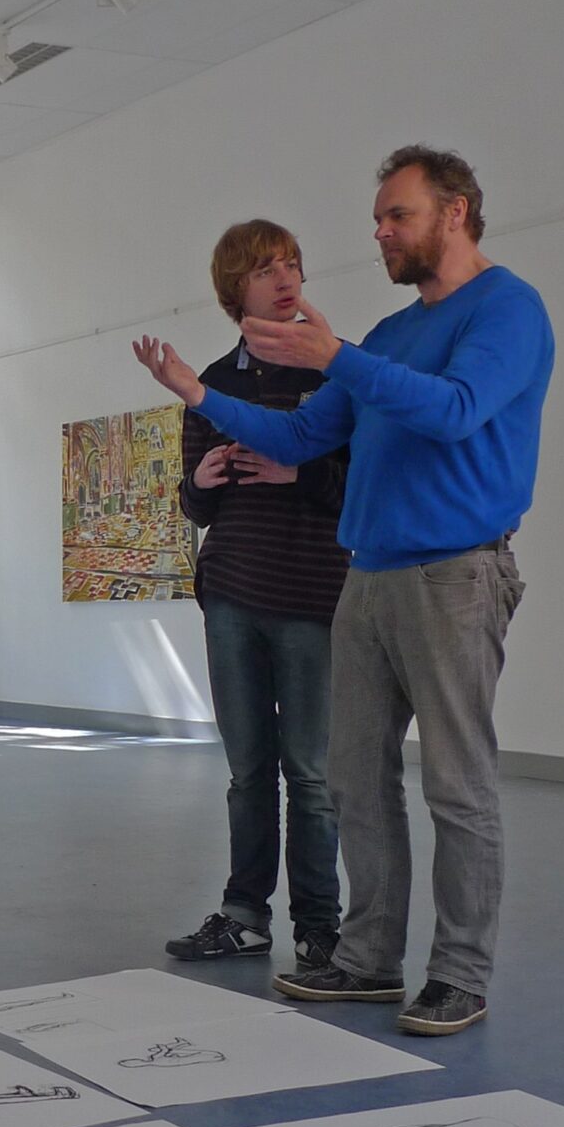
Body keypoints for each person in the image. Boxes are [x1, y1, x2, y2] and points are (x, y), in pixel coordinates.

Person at [135, 146, 553, 1036]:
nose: (381, 233)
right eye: (378, 220)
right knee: (357, 783)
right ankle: (367, 960)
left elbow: (454, 410)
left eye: (398, 215)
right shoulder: (393, 335)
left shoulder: (508, 310)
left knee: (457, 788)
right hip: (367, 575)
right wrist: (198, 392)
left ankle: (460, 973)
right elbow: (296, 439)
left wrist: (337, 356)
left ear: (456, 211)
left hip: (455, 575)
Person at [166, 218, 350, 969]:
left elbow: (362, 486)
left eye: (293, 265)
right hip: (233, 594)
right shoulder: (212, 383)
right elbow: (196, 507)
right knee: (248, 773)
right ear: (234, 289)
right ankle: (244, 915)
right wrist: (200, 481)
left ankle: (319, 926)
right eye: (267, 269)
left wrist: (297, 471)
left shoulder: (337, 372)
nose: (286, 280)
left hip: (311, 594)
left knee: (311, 773)